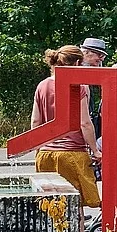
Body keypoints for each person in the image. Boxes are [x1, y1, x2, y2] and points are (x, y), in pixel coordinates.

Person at [31, 45, 100, 210]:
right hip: (72, 154)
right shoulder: (79, 86)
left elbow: (35, 121)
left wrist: (39, 150)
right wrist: (95, 150)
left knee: (52, 207)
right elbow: (84, 122)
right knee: (75, 208)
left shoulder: (42, 86)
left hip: (46, 154)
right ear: (77, 63)